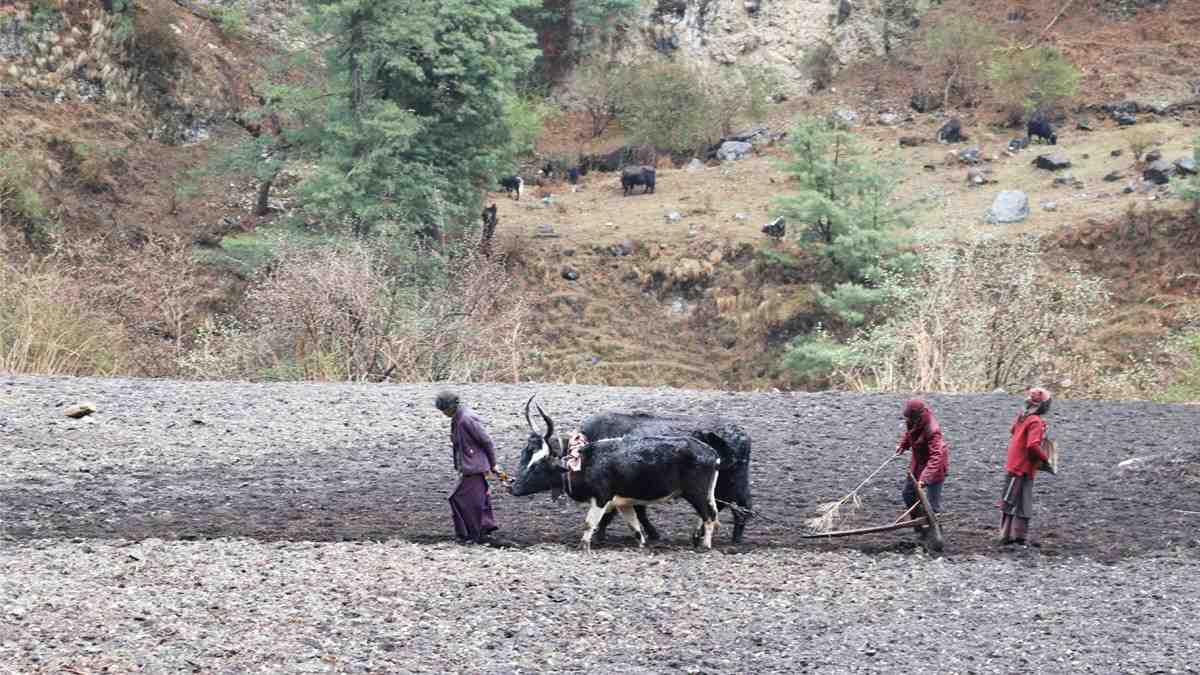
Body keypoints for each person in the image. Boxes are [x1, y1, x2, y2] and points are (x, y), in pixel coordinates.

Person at [435, 390, 502, 545]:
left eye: (444, 410)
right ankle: (479, 531)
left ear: (452, 406)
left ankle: (474, 534)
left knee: (460, 499)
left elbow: (486, 441)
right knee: (474, 500)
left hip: (475, 468)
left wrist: (493, 464)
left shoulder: (466, 419)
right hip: (470, 466)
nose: (444, 413)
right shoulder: (457, 418)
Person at [999, 387, 1052, 547]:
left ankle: (1007, 535)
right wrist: (1046, 458)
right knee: (1023, 501)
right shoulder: (1036, 421)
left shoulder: (1023, 416)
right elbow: (1032, 445)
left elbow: (1013, 430)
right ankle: (1015, 536)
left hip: (1014, 464)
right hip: (1023, 467)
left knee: (1010, 499)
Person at [894, 398, 950, 540]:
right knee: (908, 494)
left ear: (916, 415)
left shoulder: (932, 429)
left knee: (932, 505)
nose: (907, 418)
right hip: (919, 462)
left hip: (935, 466)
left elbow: (936, 455)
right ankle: (920, 528)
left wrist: (925, 479)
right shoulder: (912, 420)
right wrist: (903, 446)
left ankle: (936, 536)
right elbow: (910, 434)